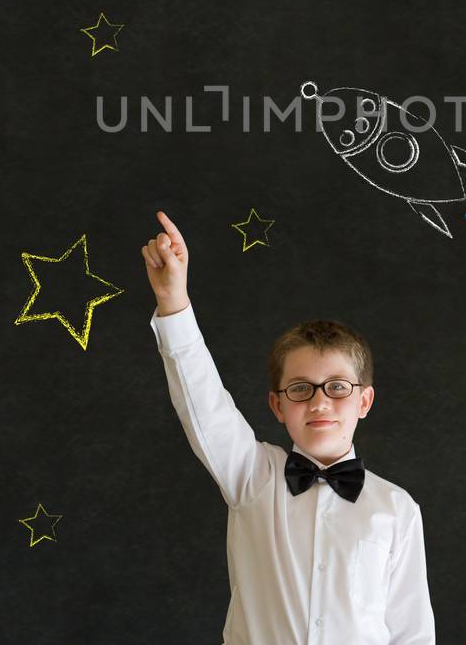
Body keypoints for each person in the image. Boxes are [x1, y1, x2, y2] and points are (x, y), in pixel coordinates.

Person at [143, 210, 436, 644]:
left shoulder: (396, 509)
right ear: (277, 405)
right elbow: (204, 404)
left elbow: (412, 634)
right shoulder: (252, 478)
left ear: (365, 400)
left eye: (337, 387)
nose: (320, 402)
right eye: (301, 388)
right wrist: (173, 303)